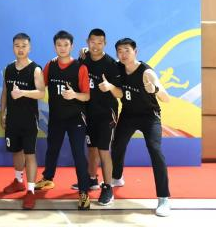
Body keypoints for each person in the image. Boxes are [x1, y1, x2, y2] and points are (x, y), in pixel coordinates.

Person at [111, 37, 171, 217]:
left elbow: (166, 98)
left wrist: (155, 90)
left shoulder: (147, 72)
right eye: (120, 51)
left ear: (135, 52)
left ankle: (164, 198)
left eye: (127, 50)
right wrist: (85, 53)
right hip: (128, 114)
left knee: (155, 150)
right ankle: (117, 177)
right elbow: (101, 61)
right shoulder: (118, 68)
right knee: (117, 144)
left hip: (149, 116)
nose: (123, 54)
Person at [35, 30, 92, 210]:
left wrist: (75, 95)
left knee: (78, 154)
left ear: (71, 46)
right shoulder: (50, 66)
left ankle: (84, 191)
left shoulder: (80, 68)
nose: (62, 48)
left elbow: (87, 96)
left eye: (66, 45)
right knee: (52, 149)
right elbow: (40, 87)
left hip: (75, 119)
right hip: (56, 117)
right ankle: (48, 178)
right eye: (59, 45)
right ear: (55, 47)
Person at [72, 28, 122, 206]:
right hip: (88, 112)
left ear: (105, 44)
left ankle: (108, 188)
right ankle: (92, 179)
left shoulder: (111, 64)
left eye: (100, 42)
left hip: (106, 114)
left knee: (103, 151)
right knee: (91, 148)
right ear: (87, 42)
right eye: (92, 42)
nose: (96, 46)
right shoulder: (83, 58)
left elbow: (120, 93)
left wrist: (110, 87)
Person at [0, 33, 46, 209]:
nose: (20, 49)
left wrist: (23, 93)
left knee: (29, 154)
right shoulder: (8, 69)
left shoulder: (35, 69)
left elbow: (41, 93)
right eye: (17, 46)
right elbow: (5, 92)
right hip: (13, 119)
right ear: (13, 47)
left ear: (29, 47)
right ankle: (18, 181)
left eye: (24, 46)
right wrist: (2, 113)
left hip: (29, 119)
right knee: (16, 151)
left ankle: (31, 190)